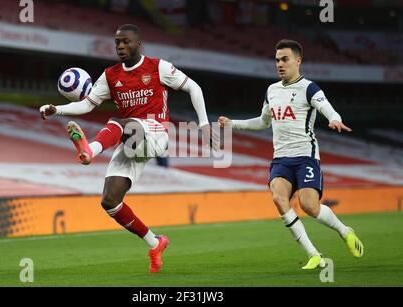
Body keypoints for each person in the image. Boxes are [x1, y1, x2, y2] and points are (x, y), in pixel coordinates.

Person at [40, 24, 214, 273]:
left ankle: (90, 150)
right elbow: (88, 105)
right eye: (117, 43)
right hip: (130, 138)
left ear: (138, 44)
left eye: (125, 42)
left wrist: (204, 123)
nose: (120, 47)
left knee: (121, 124)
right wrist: (58, 109)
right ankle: (155, 243)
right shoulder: (110, 75)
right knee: (110, 201)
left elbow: (193, 87)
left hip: (155, 133)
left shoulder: (158, 67)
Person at [218, 39, 364, 270]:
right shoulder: (272, 91)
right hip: (281, 159)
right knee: (278, 198)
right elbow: (263, 122)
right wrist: (233, 124)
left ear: (298, 61)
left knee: (310, 207)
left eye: (285, 59)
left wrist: (335, 118)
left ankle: (345, 231)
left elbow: (326, 106)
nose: (280, 64)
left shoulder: (309, 88)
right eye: (277, 60)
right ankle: (313, 254)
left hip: (306, 156)